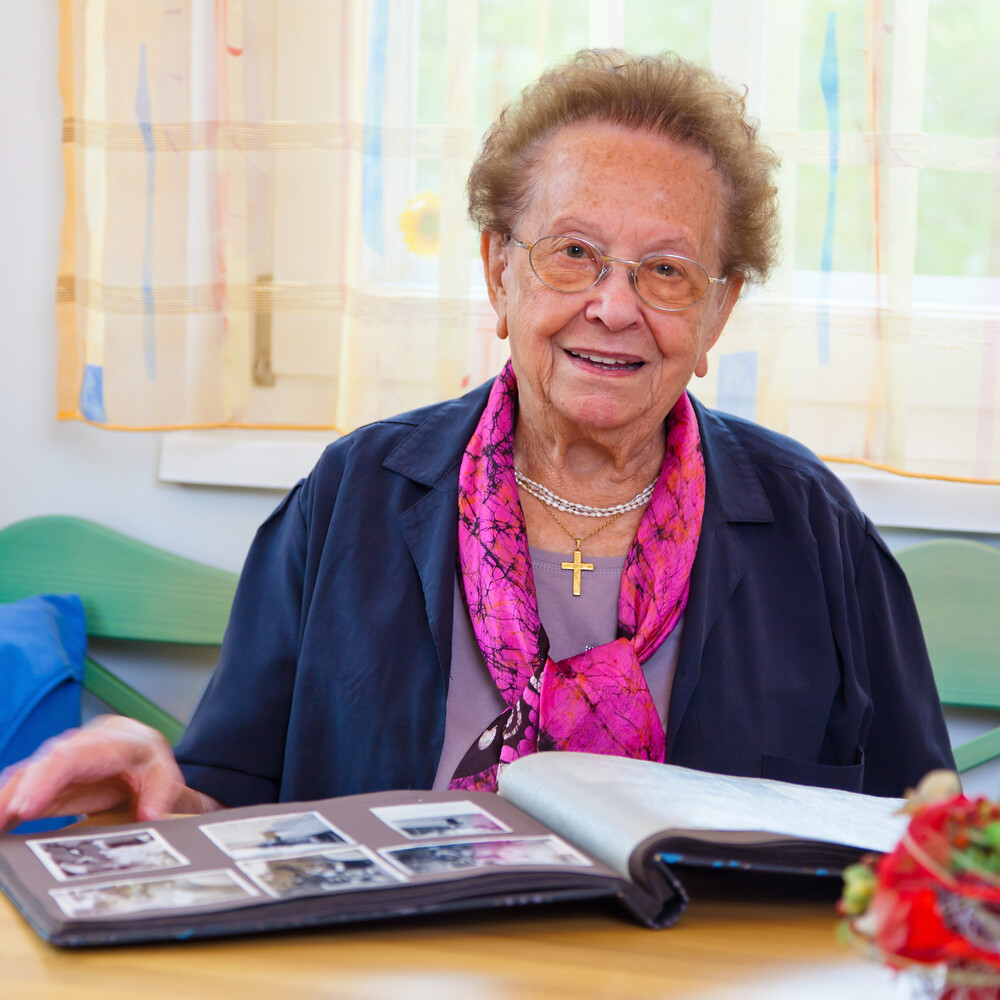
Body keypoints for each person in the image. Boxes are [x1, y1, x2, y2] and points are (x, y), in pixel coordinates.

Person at [0, 49, 953, 832]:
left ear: (719, 311)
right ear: (499, 271)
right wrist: (156, 792)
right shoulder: (353, 495)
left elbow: (920, 841)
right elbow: (228, 809)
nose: (613, 306)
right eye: (573, 253)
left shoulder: (812, 528)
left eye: (666, 271)